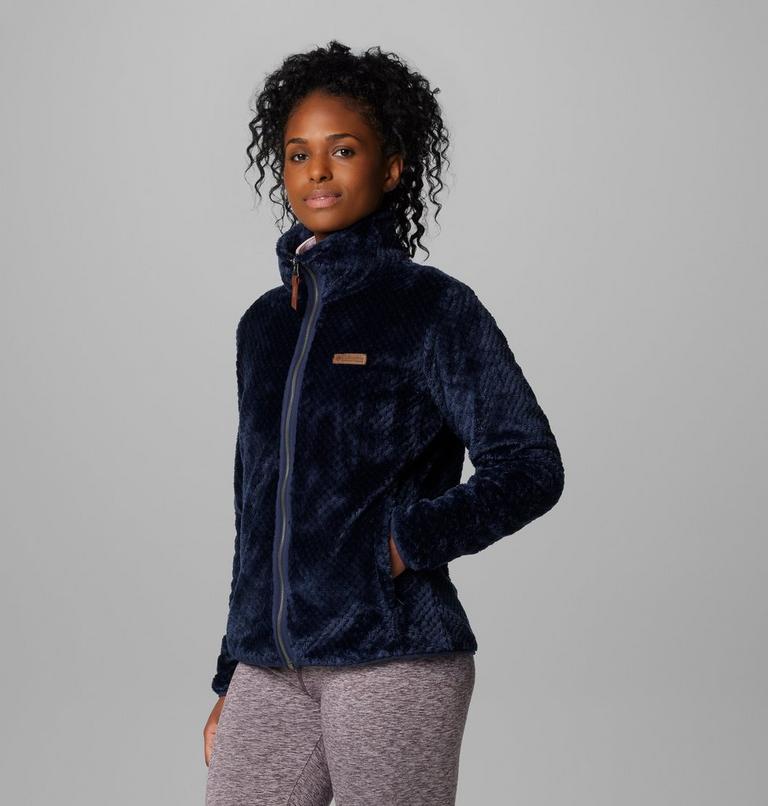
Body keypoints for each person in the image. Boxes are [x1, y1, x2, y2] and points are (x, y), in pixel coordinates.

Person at [203, 40, 565, 806]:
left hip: (393, 658)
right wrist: (233, 670)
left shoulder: (432, 309)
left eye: (342, 150)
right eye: (297, 154)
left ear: (392, 168)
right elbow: (254, 510)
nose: (317, 171)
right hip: (271, 665)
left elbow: (529, 465)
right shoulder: (262, 327)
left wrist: (399, 545)